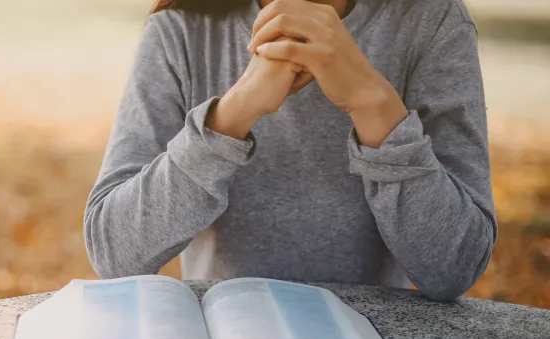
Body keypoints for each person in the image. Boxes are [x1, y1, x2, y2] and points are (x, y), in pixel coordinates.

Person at [84, 0, 497, 301]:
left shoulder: (432, 21)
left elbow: (455, 266)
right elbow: (115, 253)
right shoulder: (181, 29)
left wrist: (374, 104)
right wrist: (231, 115)